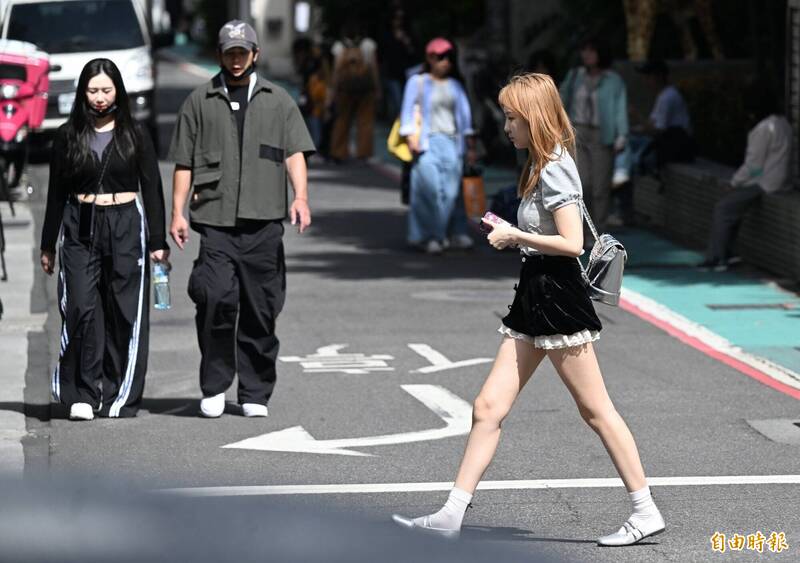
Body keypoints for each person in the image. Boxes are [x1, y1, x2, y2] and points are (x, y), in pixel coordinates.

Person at [392, 73, 665, 546]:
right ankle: (451, 514)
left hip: (557, 297)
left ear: (533, 118)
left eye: (512, 118)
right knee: (487, 407)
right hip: (534, 293)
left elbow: (573, 243)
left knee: (596, 410)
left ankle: (645, 509)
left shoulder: (555, 165)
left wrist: (515, 234)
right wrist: (513, 233)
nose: (506, 127)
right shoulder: (540, 163)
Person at [168, 20, 315, 418]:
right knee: (214, 299)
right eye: (230, 53)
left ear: (255, 55)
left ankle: (254, 392)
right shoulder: (199, 101)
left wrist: (300, 197)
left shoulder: (278, 101)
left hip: (263, 225)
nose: (236, 60)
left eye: (242, 53)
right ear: (220, 54)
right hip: (215, 223)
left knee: (261, 309)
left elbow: (294, 152)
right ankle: (215, 385)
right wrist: (177, 212)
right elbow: (184, 163)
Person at [40, 59, 169, 420]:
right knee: (80, 306)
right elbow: (55, 193)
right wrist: (48, 244)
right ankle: (83, 392)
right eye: (93, 90)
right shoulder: (67, 135)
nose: (99, 98)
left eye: (106, 90)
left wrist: (158, 241)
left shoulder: (135, 133)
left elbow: (152, 188)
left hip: (125, 222)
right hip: (80, 223)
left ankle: (118, 392)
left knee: (123, 310)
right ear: (83, 92)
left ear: (118, 92)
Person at [699, 89, 792, 271]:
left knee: (723, 208)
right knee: (732, 208)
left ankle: (717, 257)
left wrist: (733, 183)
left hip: (765, 183)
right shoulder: (783, 124)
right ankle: (729, 253)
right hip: (780, 181)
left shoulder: (763, 129)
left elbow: (754, 167)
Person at [400, 37, 477, 254]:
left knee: (451, 193)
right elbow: (407, 112)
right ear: (430, 58)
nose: (445, 62)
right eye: (441, 57)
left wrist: (470, 147)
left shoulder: (456, 85)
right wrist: (410, 137)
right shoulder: (417, 82)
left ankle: (445, 233)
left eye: (449, 57)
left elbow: (465, 118)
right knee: (429, 191)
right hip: (426, 143)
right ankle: (431, 236)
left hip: (452, 143)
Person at [560, 37, 628, 235]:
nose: (587, 54)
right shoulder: (575, 75)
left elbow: (619, 108)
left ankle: (599, 231)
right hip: (578, 131)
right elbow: (561, 99)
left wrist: (622, 135)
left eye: (592, 50)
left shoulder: (613, 80)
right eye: (584, 50)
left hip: (602, 135)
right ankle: (581, 230)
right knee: (582, 185)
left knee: (600, 188)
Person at [328, 22, 381, 162]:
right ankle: (363, 152)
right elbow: (374, 67)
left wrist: (333, 90)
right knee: (365, 121)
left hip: (344, 89)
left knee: (342, 120)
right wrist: (377, 88)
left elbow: (336, 70)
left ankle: (339, 152)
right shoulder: (369, 44)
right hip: (365, 88)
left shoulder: (339, 46)